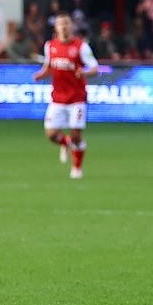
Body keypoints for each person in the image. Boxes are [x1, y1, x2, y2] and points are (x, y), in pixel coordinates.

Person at [32, 11, 99, 179]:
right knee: (51, 135)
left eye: (67, 23)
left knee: (76, 136)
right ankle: (66, 143)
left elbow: (95, 69)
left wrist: (84, 73)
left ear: (72, 26)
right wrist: (41, 75)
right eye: (60, 23)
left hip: (76, 98)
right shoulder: (50, 46)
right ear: (56, 27)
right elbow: (49, 67)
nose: (64, 26)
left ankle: (76, 169)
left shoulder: (80, 46)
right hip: (58, 98)